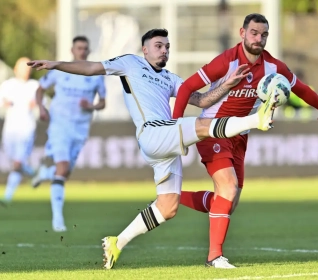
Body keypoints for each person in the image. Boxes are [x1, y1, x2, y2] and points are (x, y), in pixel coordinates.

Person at [28, 28, 278, 269]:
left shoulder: (170, 78)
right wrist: (56, 63)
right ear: (144, 50)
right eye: (158, 46)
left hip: (164, 140)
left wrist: (226, 85)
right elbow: (92, 68)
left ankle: (117, 242)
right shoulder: (130, 63)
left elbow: (201, 99)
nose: (164, 51)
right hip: (153, 131)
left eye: (167, 47)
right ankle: (257, 120)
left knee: (168, 207)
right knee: (202, 125)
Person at [172, 13, 318, 268]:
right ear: (242, 33)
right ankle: (214, 257)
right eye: (254, 33)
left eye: (264, 34)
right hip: (212, 129)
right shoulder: (227, 61)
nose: (259, 38)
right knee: (228, 188)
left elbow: (300, 88)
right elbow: (186, 87)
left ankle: (172, 197)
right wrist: (175, 127)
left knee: (227, 203)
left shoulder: (273, 68)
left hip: (239, 136)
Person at [31, 36, 107, 232]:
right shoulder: (60, 71)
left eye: (85, 48)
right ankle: (58, 219)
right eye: (78, 48)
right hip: (59, 126)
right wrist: (41, 108)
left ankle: (45, 173)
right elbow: (40, 89)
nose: (82, 51)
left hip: (80, 129)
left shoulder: (96, 75)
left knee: (64, 173)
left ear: (88, 52)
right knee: (63, 168)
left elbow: (103, 102)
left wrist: (91, 106)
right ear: (72, 50)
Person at [0, 57, 39, 205]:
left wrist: (37, 105)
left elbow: (43, 104)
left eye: (28, 68)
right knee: (14, 162)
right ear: (15, 69)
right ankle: (33, 173)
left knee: (17, 163)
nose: (26, 71)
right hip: (10, 130)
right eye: (23, 68)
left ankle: (7, 197)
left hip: (26, 129)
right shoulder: (7, 85)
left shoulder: (34, 86)